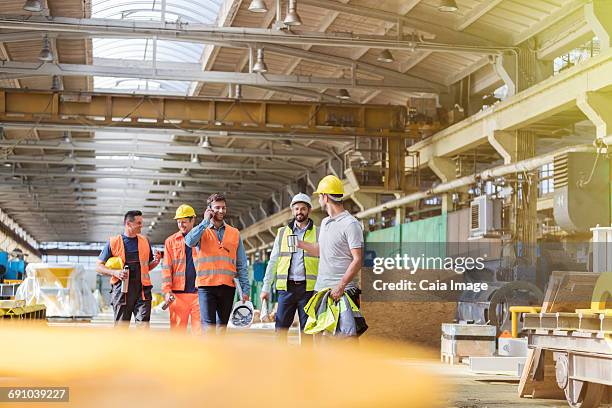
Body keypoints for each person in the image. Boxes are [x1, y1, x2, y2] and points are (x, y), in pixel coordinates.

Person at [185, 193, 250, 331]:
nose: (221, 211)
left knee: (222, 327)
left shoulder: (234, 233)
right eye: (217, 208)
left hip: (227, 286)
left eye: (223, 208)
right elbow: (189, 241)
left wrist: (245, 289)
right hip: (206, 286)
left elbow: (241, 263)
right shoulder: (202, 231)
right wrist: (204, 222)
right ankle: (208, 352)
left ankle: (218, 352)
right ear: (209, 209)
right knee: (208, 326)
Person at [298, 175, 363, 307]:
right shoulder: (325, 222)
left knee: (343, 328)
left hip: (343, 292)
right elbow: (321, 250)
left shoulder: (350, 224)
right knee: (316, 328)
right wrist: (299, 243)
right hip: (321, 290)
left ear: (325, 197)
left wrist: (341, 286)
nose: (319, 199)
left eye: (320, 196)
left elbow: (358, 260)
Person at [261, 193, 319, 334]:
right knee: (280, 329)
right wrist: (266, 287)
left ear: (309, 210)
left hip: (308, 290)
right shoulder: (282, 233)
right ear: (293, 210)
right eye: (297, 208)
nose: (300, 212)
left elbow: (325, 260)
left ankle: (306, 357)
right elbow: (273, 261)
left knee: (308, 331)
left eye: (303, 208)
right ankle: (279, 356)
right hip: (286, 289)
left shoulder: (318, 233)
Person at [96, 210, 161, 326]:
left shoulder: (145, 241)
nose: (142, 225)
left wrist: (156, 262)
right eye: (139, 223)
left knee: (144, 326)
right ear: (128, 224)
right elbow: (98, 267)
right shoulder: (113, 242)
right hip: (122, 291)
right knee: (121, 327)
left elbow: (146, 268)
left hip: (142, 291)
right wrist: (115, 272)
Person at [161, 204, 201, 334]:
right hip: (178, 295)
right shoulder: (170, 241)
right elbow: (167, 268)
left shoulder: (203, 237)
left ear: (192, 220)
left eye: (184, 222)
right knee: (177, 334)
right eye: (179, 222)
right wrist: (167, 291)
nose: (181, 225)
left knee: (200, 333)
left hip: (199, 293)